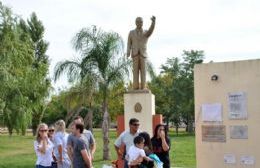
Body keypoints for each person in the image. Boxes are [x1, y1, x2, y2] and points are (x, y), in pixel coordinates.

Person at [127, 16, 156, 90]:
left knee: (143, 71)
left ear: (142, 23)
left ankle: (143, 87)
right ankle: (135, 86)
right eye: (138, 21)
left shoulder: (146, 32)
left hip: (143, 54)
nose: (139, 23)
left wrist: (153, 22)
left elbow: (151, 30)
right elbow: (129, 43)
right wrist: (128, 52)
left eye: (141, 22)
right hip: (135, 54)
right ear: (135, 23)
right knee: (135, 71)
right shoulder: (131, 33)